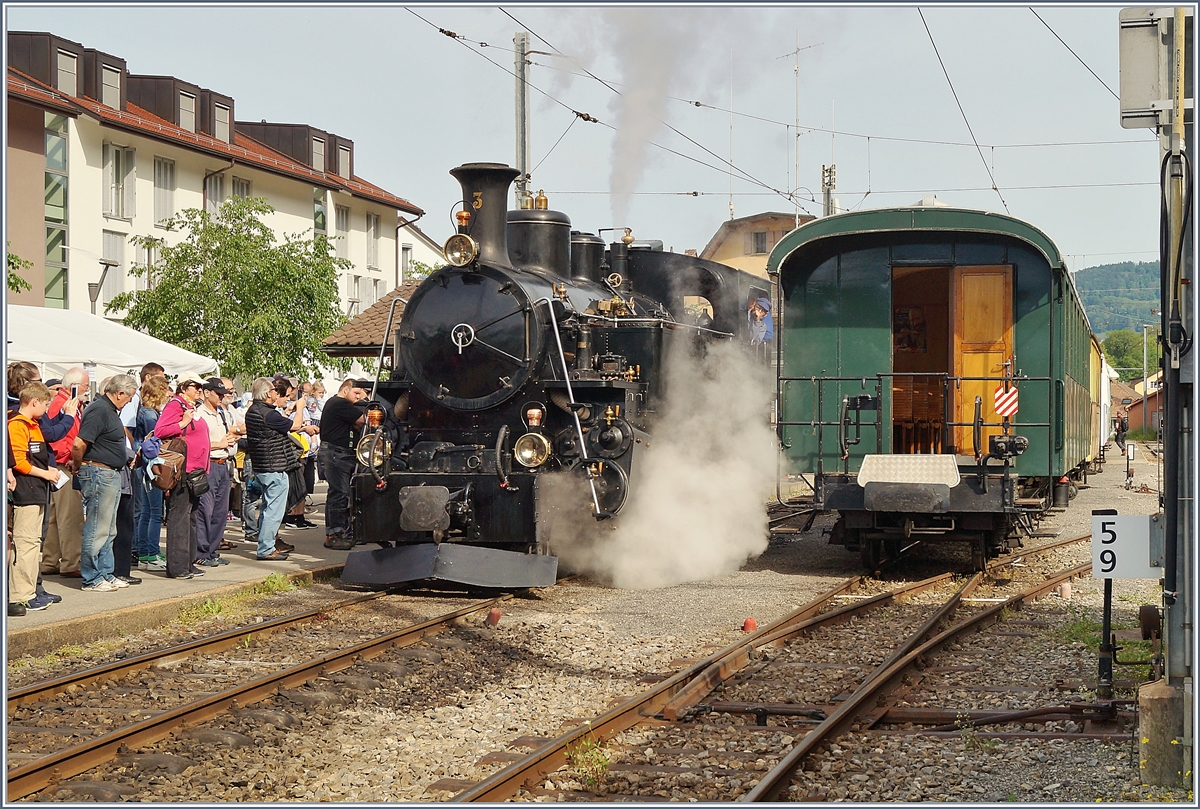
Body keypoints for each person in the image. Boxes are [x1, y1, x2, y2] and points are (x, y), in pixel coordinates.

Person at [71, 375, 137, 592]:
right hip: (99, 471)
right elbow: (79, 443)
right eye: (128, 397)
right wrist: (78, 465)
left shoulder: (109, 410)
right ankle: (91, 577)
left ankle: (106, 572)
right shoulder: (99, 409)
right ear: (119, 393)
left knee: (109, 529)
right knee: (97, 527)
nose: (129, 402)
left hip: (110, 473)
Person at [8, 382, 60, 615]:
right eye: (46, 404)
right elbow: (18, 461)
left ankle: (30, 591)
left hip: (37, 489)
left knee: (32, 543)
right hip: (26, 490)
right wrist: (46, 473)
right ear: (34, 402)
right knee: (25, 542)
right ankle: (21, 594)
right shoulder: (17, 425)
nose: (47, 409)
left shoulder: (33, 425)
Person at [154, 380, 210, 579]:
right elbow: (160, 430)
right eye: (195, 387)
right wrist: (182, 423)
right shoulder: (175, 405)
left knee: (192, 515)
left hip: (196, 470)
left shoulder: (191, 407)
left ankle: (189, 562)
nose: (199, 391)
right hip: (183, 469)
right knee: (180, 516)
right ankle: (177, 567)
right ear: (184, 388)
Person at [245, 377, 306, 560]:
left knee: (267, 508)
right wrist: (300, 407)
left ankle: (266, 544)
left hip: (262, 465)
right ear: (266, 394)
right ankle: (266, 548)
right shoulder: (268, 413)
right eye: (272, 390)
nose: (275, 393)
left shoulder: (253, 411)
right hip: (275, 466)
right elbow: (294, 426)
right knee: (273, 510)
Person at [41, 367, 85, 579]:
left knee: (55, 517)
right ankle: (70, 562)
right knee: (70, 515)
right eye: (84, 386)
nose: (86, 390)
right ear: (74, 386)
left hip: (57, 464)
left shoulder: (62, 402)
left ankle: (50, 560)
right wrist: (70, 457)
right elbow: (60, 438)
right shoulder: (64, 404)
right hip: (63, 465)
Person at [192, 378, 238, 567]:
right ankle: (200, 552)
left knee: (220, 511)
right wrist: (219, 444)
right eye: (218, 393)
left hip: (223, 463)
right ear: (206, 392)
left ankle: (211, 550)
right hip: (208, 464)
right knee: (205, 510)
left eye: (223, 393)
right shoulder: (198, 414)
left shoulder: (222, 413)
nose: (221, 397)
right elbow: (196, 444)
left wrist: (232, 440)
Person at [319, 378, 367, 550]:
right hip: (336, 453)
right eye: (356, 393)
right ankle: (335, 533)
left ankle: (339, 532)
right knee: (339, 493)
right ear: (345, 389)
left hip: (339, 453)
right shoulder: (339, 403)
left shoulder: (337, 404)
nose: (358, 397)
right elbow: (363, 420)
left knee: (340, 493)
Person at [133, 375, 171, 571]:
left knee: (147, 512)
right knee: (155, 512)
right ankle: (151, 553)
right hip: (151, 467)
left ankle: (145, 552)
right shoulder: (150, 415)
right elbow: (153, 442)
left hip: (143, 467)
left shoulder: (146, 412)